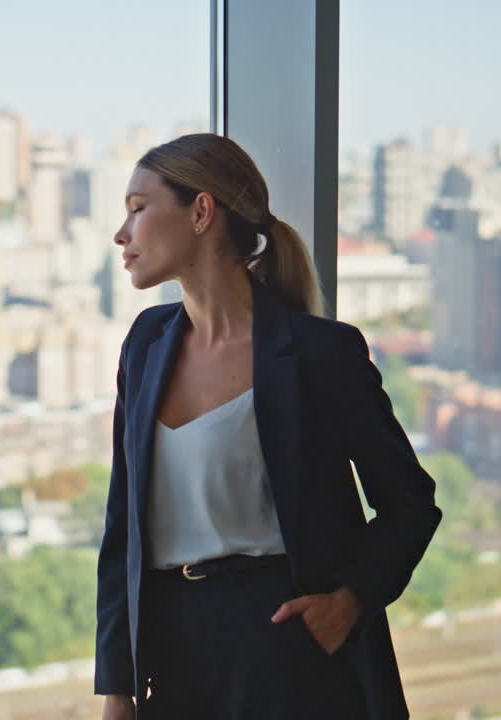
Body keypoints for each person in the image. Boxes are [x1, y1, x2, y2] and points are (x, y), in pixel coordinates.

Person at [95, 134, 442, 720]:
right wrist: (117, 689)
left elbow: (411, 503)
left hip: (286, 651)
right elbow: (122, 531)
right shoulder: (145, 346)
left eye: (137, 207)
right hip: (172, 656)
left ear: (201, 212)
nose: (121, 234)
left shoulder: (319, 353)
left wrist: (350, 602)